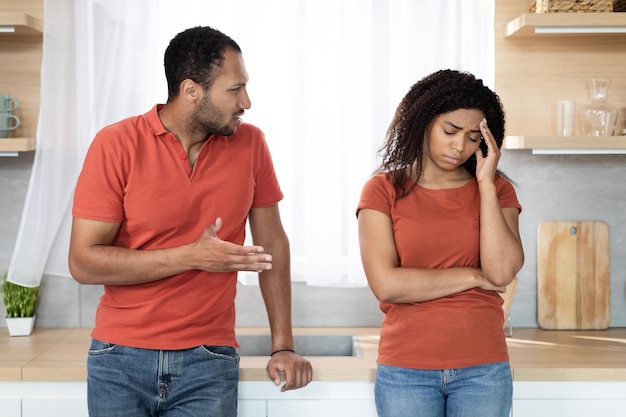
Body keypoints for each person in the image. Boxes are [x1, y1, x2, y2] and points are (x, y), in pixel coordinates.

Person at [68, 26, 312, 417]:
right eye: (234, 89)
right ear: (191, 90)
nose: (246, 101)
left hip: (209, 360)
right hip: (119, 358)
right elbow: (83, 262)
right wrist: (192, 256)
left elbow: (273, 245)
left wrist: (283, 344)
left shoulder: (251, 145)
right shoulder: (115, 144)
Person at [356, 69, 524, 417]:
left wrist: (486, 185)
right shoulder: (383, 189)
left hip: (484, 367)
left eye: (473, 137)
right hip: (406, 369)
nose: (459, 146)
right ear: (423, 123)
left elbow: (502, 270)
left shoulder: (497, 190)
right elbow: (387, 284)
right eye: (449, 131)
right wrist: (475, 277)